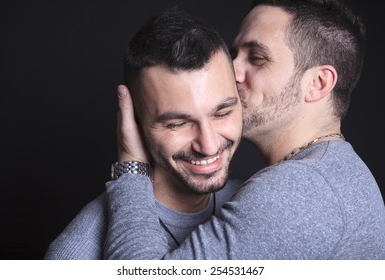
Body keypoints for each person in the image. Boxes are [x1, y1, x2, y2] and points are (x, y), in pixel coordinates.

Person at [103, 0, 385, 259]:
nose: (231, 70)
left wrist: (132, 166)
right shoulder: (332, 173)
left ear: (318, 83)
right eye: (235, 53)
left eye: (257, 58)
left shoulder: (301, 190)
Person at [44, 8, 243, 259]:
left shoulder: (253, 200)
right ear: (134, 122)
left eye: (222, 113)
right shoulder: (75, 255)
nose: (209, 144)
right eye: (177, 123)